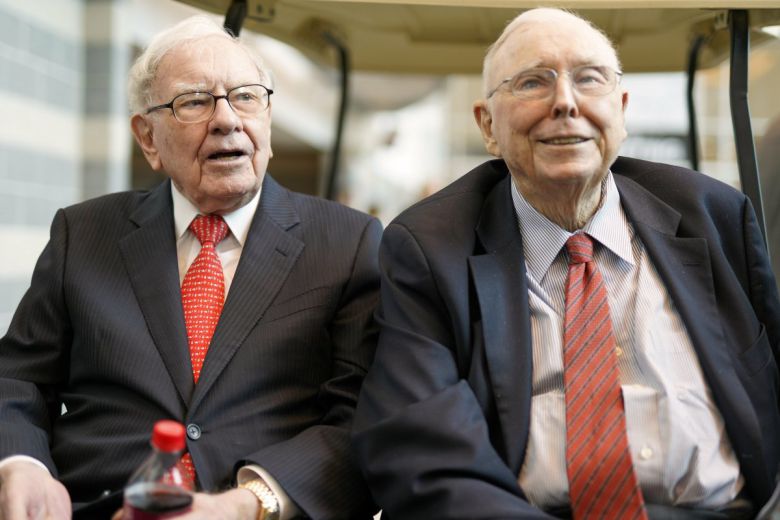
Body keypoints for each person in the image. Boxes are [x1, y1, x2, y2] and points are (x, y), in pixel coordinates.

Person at [352, 7, 780, 520]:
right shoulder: (431, 247)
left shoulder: (714, 217)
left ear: (621, 110)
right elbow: (422, 454)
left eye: (589, 79)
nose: (565, 102)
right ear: (488, 126)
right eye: (533, 82)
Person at [0, 15, 381, 520]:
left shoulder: (348, 243)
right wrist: (22, 464)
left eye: (245, 97)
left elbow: (360, 418)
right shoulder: (84, 233)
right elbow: (18, 379)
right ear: (148, 138)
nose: (227, 120)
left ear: (267, 119)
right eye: (195, 102)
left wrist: (247, 504)